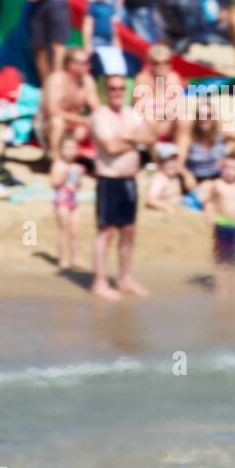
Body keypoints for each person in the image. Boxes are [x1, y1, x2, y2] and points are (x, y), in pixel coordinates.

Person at [90, 74, 155, 300]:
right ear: (105, 91)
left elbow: (150, 136)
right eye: (112, 88)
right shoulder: (100, 115)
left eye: (120, 88)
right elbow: (110, 147)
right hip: (109, 180)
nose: (116, 92)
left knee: (128, 231)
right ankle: (99, 281)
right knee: (106, 232)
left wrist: (127, 137)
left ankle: (124, 278)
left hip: (130, 180)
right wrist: (133, 137)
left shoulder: (131, 113)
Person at [39, 48, 98, 163]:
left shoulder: (87, 81)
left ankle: (96, 162)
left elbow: (97, 108)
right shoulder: (57, 79)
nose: (88, 66)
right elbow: (53, 111)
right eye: (83, 63)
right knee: (58, 122)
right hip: (48, 125)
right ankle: (56, 160)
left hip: (74, 127)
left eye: (87, 63)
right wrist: (82, 120)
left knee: (94, 124)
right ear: (71, 64)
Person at [206, 155, 235, 297]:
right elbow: (209, 202)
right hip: (222, 224)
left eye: (234, 168)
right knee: (221, 258)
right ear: (221, 169)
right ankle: (221, 287)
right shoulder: (217, 184)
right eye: (227, 167)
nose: (230, 171)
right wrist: (210, 216)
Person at [49, 135, 84, 272]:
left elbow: (77, 186)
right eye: (67, 148)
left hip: (74, 199)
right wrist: (65, 174)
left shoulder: (76, 166)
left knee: (75, 231)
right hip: (61, 200)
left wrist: (79, 177)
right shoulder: (58, 164)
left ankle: (75, 258)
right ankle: (63, 259)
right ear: (61, 150)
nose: (70, 151)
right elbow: (54, 184)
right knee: (64, 230)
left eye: (72, 148)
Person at [145, 142, 185, 213]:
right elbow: (151, 199)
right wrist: (166, 207)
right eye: (168, 161)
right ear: (160, 163)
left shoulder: (174, 176)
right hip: (171, 211)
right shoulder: (160, 179)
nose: (172, 164)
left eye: (174, 160)